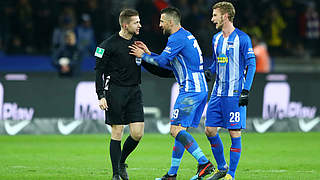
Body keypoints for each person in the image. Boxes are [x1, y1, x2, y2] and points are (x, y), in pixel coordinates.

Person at [129, 7, 214, 180]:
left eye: (161, 21)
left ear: (170, 22)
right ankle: (172, 174)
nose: (159, 25)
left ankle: (204, 162)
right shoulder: (185, 35)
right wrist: (148, 53)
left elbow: (161, 62)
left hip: (191, 89)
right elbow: (169, 62)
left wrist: (142, 56)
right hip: (199, 88)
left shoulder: (176, 38)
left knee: (175, 130)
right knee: (181, 131)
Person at [94, 9, 173, 180]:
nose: (140, 25)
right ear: (125, 25)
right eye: (136, 22)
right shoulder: (107, 45)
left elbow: (151, 67)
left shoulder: (137, 45)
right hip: (115, 91)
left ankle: (121, 162)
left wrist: (174, 75)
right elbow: (98, 72)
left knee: (137, 133)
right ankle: (115, 174)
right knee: (117, 131)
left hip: (134, 92)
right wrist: (101, 95)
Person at [204, 2, 256, 180]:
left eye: (215, 15)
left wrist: (246, 90)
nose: (212, 19)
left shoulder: (242, 38)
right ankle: (222, 167)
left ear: (225, 16)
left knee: (234, 132)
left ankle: (230, 175)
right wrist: (210, 70)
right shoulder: (216, 38)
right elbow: (217, 62)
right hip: (217, 93)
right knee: (210, 130)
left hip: (234, 93)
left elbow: (252, 64)